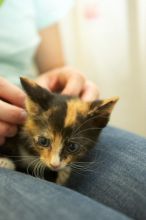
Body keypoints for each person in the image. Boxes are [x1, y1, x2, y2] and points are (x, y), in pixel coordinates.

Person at [0, 1, 146, 220]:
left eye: (70, 147)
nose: (55, 163)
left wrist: (65, 79)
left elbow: (54, 66)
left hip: (40, 111)